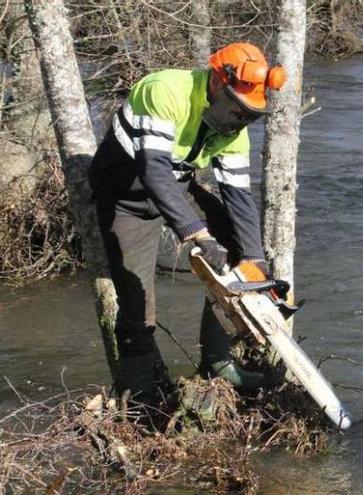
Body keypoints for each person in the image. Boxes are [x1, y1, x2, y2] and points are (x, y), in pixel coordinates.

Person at [89, 42, 287, 410]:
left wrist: (254, 260)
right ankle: (139, 400)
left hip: (177, 185)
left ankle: (217, 361)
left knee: (236, 246)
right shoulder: (165, 90)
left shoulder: (232, 130)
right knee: (136, 299)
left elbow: (239, 197)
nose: (239, 119)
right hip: (125, 197)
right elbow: (154, 171)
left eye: (249, 114)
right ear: (216, 81)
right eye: (237, 109)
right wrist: (196, 234)